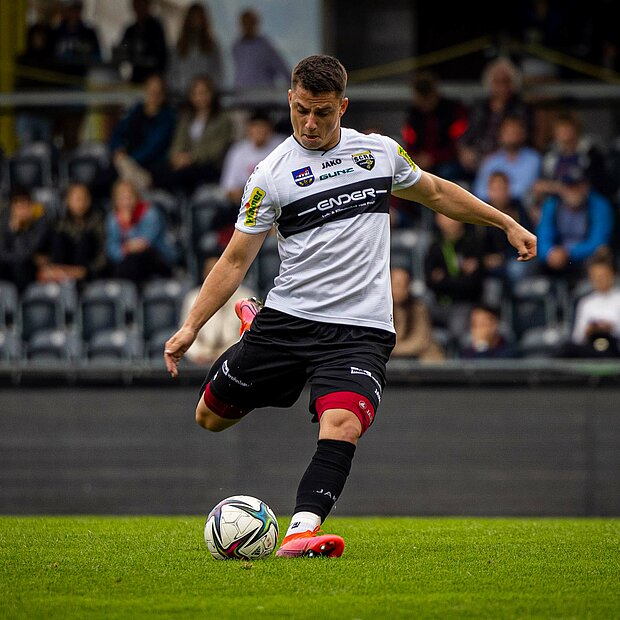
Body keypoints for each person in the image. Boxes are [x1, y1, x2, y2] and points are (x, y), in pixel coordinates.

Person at [164, 55, 536, 559]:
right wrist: (191, 326)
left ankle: (301, 530)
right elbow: (234, 260)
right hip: (290, 321)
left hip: (360, 329)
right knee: (210, 417)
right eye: (301, 110)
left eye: (322, 112)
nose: (309, 124)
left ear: (342, 106)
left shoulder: (378, 153)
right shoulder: (269, 175)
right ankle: (255, 328)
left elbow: (435, 191)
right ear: (289, 101)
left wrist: (505, 223)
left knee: (342, 424)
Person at [152, 74, 233, 196]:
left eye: (204, 93)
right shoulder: (186, 117)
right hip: (184, 164)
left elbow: (217, 149)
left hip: (208, 165)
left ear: (212, 94)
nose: (200, 97)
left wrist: (191, 158)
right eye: (196, 93)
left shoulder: (222, 119)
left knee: (186, 174)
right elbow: (178, 141)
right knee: (158, 170)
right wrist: (177, 157)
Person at [457, 57, 533, 184]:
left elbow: (518, 138)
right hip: (475, 156)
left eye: (505, 82)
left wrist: (496, 156)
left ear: (513, 84)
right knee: (447, 174)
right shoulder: (480, 107)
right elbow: (467, 133)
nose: (501, 86)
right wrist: (464, 150)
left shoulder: (520, 108)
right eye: (497, 82)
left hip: (503, 158)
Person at [536, 166, 614, 285]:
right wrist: (549, 252)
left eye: (578, 185)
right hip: (556, 257)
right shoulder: (552, 205)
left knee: (599, 256)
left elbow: (599, 241)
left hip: (584, 257)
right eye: (569, 186)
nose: (573, 190)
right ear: (562, 187)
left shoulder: (599, 205)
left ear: (586, 186)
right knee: (531, 264)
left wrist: (569, 253)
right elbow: (543, 234)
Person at [101, 73, 176, 194]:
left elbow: (152, 148)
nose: (154, 95)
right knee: (99, 180)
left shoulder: (168, 118)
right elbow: (118, 133)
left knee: (117, 182)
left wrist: (126, 160)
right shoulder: (136, 110)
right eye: (150, 91)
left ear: (163, 95)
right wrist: (117, 149)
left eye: (158, 92)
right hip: (124, 162)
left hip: (148, 167)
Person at [180, 254, 257, 366]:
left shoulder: (246, 298)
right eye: (210, 273)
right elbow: (185, 331)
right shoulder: (192, 298)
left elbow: (247, 335)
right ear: (204, 275)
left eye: (218, 273)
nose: (215, 278)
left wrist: (223, 355)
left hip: (235, 359)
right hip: (200, 361)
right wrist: (198, 354)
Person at [424, 212, 486, 338]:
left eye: (449, 215)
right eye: (443, 215)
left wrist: (443, 280)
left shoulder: (472, 244)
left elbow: (473, 283)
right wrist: (459, 278)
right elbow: (429, 281)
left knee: (457, 330)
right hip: (437, 302)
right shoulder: (434, 247)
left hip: (465, 302)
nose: (448, 221)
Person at [400, 70, 469, 181]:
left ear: (435, 93)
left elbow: (458, 144)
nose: (425, 103)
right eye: (421, 98)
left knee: (444, 174)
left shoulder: (453, 111)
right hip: (419, 161)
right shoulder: (412, 115)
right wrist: (415, 158)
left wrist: (433, 158)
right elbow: (409, 143)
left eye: (427, 97)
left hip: (449, 161)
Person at [105, 179, 177, 285]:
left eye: (129, 197)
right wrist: (126, 249)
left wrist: (128, 227)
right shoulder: (113, 219)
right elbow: (112, 249)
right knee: (126, 266)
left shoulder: (150, 213)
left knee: (136, 260)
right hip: (128, 263)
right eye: (122, 198)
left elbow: (145, 242)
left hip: (156, 258)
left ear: (136, 197)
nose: (126, 202)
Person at [37, 183, 106, 286]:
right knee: (58, 238)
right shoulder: (59, 223)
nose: (81, 203)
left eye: (84, 198)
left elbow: (102, 256)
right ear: (68, 201)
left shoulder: (97, 221)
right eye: (77, 199)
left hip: (87, 273)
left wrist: (85, 271)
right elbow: (41, 252)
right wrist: (48, 267)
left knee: (86, 239)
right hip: (60, 272)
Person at [557, 248, 620, 358]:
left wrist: (610, 328)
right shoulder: (586, 303)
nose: (600, 280)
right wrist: (589, 330)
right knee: (566, 348)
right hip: (591, 348)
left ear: (613, 275)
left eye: (603, 276)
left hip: (614, 347)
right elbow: (577, 338)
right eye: (596, 277)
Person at [471, 115, 542, 204]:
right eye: (507, 132)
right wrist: (499, 195)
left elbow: (525, 189)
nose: (511, 136)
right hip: (491, 206)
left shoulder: (533, 159)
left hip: (520, 207)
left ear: (523, 134)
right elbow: (479, 190)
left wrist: (499, 192)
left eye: (514, 132)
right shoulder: (491, 160)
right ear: (500, 134)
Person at [0, 187, 53, 292]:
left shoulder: (41, 221)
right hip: (9, 264)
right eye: (18, 206)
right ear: (12, 207)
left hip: (30, 268)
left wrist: (19, 230)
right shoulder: (5, 220)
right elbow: (2, 251)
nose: (22, 210)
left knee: (20, 266)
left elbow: (26, 252)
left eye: (25, 205)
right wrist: (13, 229)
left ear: (31, 205)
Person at [167, 2, 223, 99]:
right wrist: (178, 90)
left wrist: (210, 91)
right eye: (193, 17)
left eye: (199, 17)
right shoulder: (179, 46)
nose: (196, 21)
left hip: (205, 97)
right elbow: (172, 72)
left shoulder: (212, 45)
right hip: (183, 95)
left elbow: (218, 72)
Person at [390, 266, 445, 361]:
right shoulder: (379, 311)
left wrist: (391, 349)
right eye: (396, 284)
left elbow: (420, 341)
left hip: (417, 358)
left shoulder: (418, 309)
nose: (399, 288)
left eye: (403, 284)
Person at [231, 8, 290, 91]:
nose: (248, 26)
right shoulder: (236, 47)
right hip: (241, 94)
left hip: (262, 95)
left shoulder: (265, 47)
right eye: (245, 23)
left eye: (250, 23)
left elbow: (282, 67)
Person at [115, 0, 168, 84]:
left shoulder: (156, 29)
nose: (140, 8)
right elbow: (122, 51)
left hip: (152, 77)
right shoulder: (130, 30)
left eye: (142, 4)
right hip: (134, 77)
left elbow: (162, 56)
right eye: (137, 5)